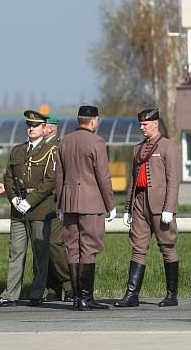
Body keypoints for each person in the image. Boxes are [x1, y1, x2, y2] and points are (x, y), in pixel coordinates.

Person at [0, 110, 57, 308]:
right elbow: (8, 177)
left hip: (40, 207)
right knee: (16, 252)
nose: (31, 129)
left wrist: (30, 201)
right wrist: (14, 199)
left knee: (40, 253)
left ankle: (36, 293)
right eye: (29, 125)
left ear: (44, 128)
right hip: (18, 207)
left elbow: (50, 180)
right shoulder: (17, 151)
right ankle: (10, 295)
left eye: (35, 126)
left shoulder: (51, 151)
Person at [116, 108, 181, 308]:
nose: (141, 127)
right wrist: (127, 208)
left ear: (155, 123)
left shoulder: (169, 147)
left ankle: (171, 295)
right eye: (141, 124)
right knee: (138, 248)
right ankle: (131, 295)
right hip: (140, 203)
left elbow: (174, 180)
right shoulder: (138, 149)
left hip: (160, 205)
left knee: (167, 247)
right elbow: (133, 181)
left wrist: (169, 208)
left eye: (145, 124)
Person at [54, 105, 116, 311]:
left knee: (73, 248)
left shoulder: (64, 141)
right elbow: (103, 177)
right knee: (89, 248)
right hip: (91, 202)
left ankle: (76, 298)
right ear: (93, 121)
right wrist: (111, 205)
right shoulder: (96, 142)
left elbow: (59, 176)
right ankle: (86, 299)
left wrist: (61, 203)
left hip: (69, 202)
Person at [42, 114, 71, 303]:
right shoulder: (38, 147)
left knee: (55, 244)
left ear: (51, 128)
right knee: (43, 246)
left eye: (42, 125)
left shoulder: (60, 147)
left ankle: (69, 285)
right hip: (39, 202)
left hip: (55, 201)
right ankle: (53, 287)